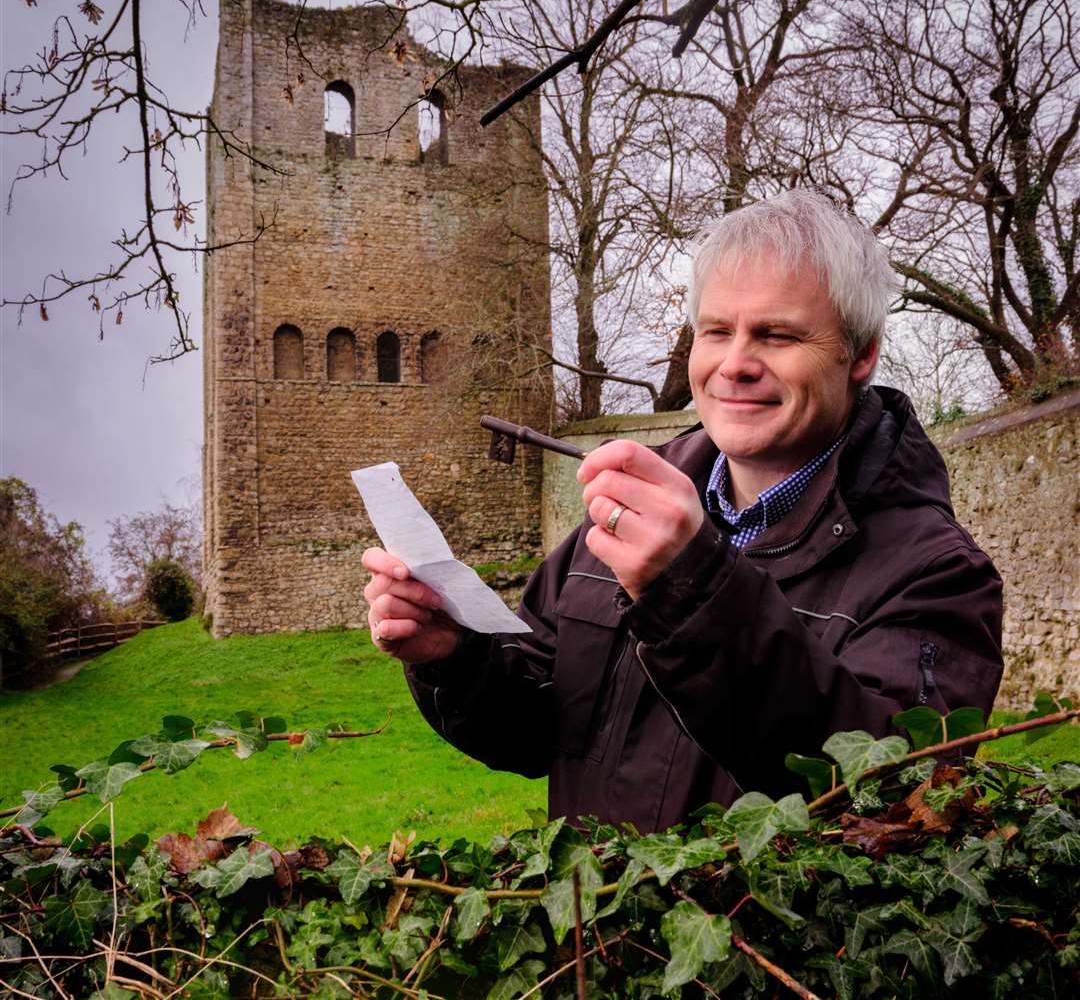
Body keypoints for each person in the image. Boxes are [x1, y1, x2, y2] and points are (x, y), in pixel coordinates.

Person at [362, 189, 1004, 833]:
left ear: (859, 354)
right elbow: (537, 730)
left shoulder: (936, 574)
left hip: (760, 933)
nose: (735, 365)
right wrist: (455, 655)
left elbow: (891, 799)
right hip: (600, 925)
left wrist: (689, 586)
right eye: (717, 331)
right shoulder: (623, 513)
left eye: (777, 335)